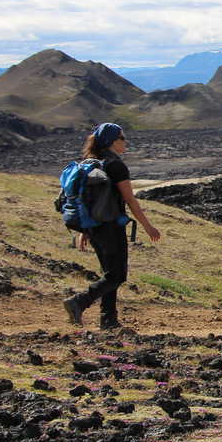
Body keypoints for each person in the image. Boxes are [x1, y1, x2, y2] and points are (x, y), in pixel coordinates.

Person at [63, 123, 160, 330]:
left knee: (109, 274)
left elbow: (86, 200)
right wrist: (148, 226)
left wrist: (86, 230)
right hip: (111, 227)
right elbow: (130, 200)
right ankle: (79, 302)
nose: (125, 142)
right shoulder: (115, 166)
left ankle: (109, 320)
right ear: (111, 141)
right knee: (117, 275)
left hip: (95, 227)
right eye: (122, 138)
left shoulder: (91, 163)